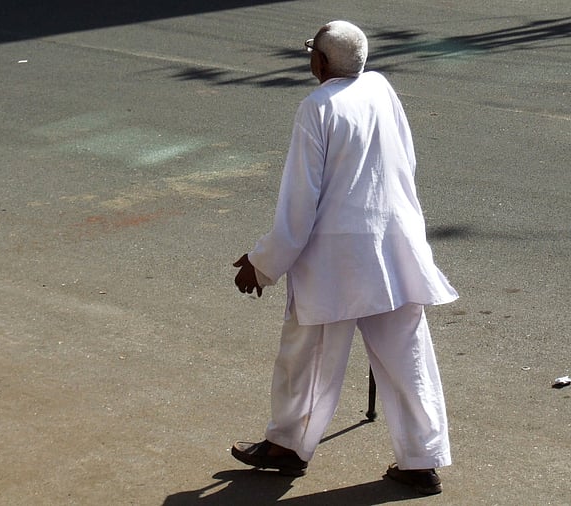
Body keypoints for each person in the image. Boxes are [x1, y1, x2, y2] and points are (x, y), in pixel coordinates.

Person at [231, 20, 458, 496]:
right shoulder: (381, 89)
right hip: (395, 243)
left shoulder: (317, 107)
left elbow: (298, 204)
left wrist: (263, 263)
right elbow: (405, 163)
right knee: (408, 358)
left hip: (337, 254)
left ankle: (288, 446)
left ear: (319, 61)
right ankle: (421, 460)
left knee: (309, 357)